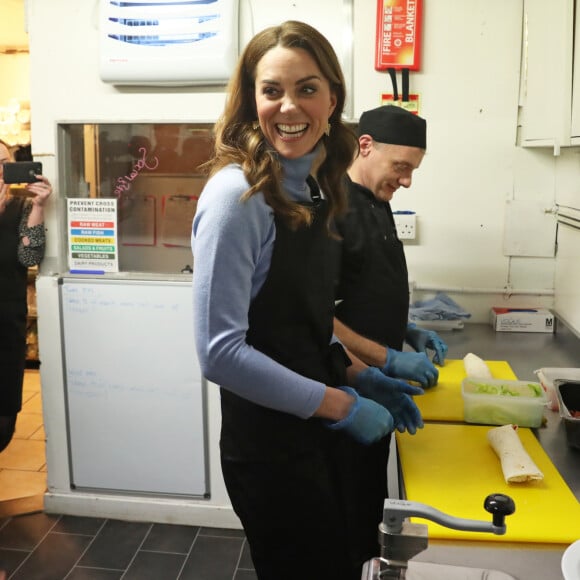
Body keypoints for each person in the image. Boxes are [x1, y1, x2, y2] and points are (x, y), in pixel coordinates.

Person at [192, 21, 424, 580]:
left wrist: (356, 373)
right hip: (270, 446)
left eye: (307, 88)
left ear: (333, 98)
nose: (288, 106)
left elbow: (299, 319)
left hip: (316, 426)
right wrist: (342, 404)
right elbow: (220, 353)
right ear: (251, 99)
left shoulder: (316, 185)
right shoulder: (237, 196)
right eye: (272, 89)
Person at [331, 106, 448, 539]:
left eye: (413, 169)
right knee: (348, 514)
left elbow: (367, 290)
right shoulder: (334, 210)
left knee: (368, 505)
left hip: (380, 389)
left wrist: (408, 328)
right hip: (347, 392)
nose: (406, 180)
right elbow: (319, 316)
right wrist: (389, 358)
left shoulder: (378, 203)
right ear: (365, 146)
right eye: (401, 167)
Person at [0, 139, 52, 453]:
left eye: (3, 161)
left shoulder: (21, 207)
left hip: (8, 324)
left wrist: (40, 206)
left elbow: (29, 255)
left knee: (5, 421)